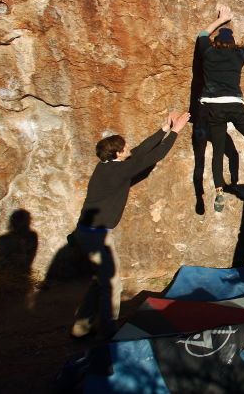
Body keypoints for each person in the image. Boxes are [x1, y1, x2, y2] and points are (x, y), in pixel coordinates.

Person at [72, 111, 189, 339]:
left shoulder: (108, 166)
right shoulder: (118, 171)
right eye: (125, 148)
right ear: (117, 153)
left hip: (88, 233)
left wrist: (164, 128)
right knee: (113, 284)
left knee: (100, 281)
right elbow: (152, 157)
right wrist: (176, 132)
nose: (129, 149)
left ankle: (81, 327)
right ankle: (109, 334)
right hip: (96, 236)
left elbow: (140, 152)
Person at [196, 4, 244, 212]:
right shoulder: (238, 55)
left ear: (216, 42)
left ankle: (218, 191)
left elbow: (202, 34)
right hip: (235, 106)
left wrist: (222, 18)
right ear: (233, 43)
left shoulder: (208, 51)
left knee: (218, 150)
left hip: (213, 108)